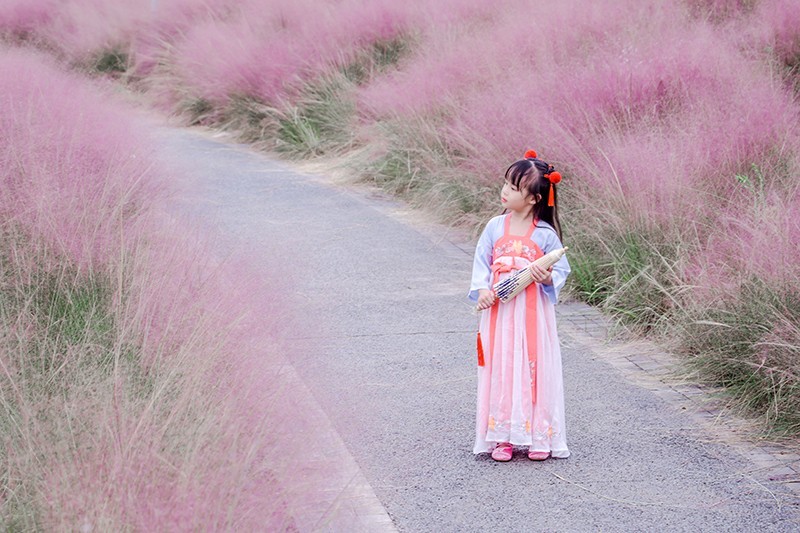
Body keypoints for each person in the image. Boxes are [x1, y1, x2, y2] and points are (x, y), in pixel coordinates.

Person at [468, 149, 571, 462]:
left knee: (533, 367)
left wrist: (548, 277)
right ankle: (502, 436)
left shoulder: (545, 234)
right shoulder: (494, 227)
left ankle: (538, 434)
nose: (504, 192)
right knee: (502, 365)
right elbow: (481, 263)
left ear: (533, 199)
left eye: (513, 188)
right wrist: (482, 290)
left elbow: (561, 271)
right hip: (500, 314)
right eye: (505, 185)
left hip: (532, 315)